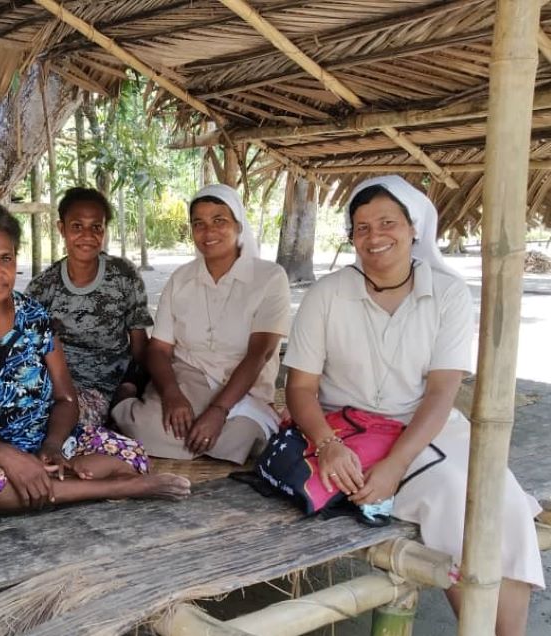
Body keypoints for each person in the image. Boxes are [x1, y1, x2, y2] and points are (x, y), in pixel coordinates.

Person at [284, 175, 544, 636]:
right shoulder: (326, 295)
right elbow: (300, 389)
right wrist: (327, 445)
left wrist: (397, 465)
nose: (374, 236)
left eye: (387, 222)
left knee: (501, 499)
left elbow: (442, 392)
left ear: (414, 229)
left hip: (432, 427)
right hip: (352, 434)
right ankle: (482, 627)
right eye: (360, 227)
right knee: (448, 493)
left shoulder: (447, 295)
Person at [0, 200, 191, 525]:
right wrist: (8, 458)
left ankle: (27, 491)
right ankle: (112, 487)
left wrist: (54, 447)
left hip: (39, 439)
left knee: (131, 453)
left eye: (6, 259)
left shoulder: (33, 315)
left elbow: (66, 398)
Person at [113, 184, 290, 464]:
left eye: (219, 220)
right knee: (141, 428)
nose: (209, 232)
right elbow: (158, 350)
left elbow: (261, 353)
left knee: (236, 441)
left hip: (244, 386)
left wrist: (218, 410)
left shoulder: (269, 277)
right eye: (199, 223)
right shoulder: (181, 279)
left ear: (238, 224)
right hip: (188, 377)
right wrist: (172, 395)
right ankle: (127, 400)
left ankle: (214, 431)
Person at [26, 187, 154, 425]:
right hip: (57, 387)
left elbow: (140, 345)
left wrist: (135, 384)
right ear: (61, 229)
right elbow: (31, 350)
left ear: (104, 231)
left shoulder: (124, 276)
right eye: (77, 226)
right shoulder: (43, 287)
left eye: (96, 227)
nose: (87, 235)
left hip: (107, 388)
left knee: (65, 425)